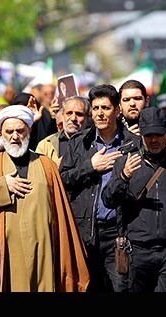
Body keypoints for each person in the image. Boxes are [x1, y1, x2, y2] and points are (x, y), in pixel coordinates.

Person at [0, 105, 89, 292]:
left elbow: (62, 212)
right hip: (5, 251)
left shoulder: (47, 165)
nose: (15, 136)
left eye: (20, 131)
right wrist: (0, 186)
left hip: (44, 250)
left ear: (29, 130)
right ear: (1, 133)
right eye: (9, 131)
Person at [102, 107, 166, 292]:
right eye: (148, 135)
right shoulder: (126, 163)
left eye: (158, 135)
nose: (153, 140)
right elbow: (108, 200)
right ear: (141, 135)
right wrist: (124, 177)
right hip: (137, 252)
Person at [60, 84, 140, 292]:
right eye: (95, 108)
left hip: (119, 232)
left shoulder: (133, 144)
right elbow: (62, 179)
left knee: (120, 288)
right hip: (85, 232)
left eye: (105, 108)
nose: (99, 113)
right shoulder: (79, 143)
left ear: (117, 110)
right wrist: (90, 167)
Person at [37, 96, 90, 165]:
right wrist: (54, 167)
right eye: (69, 113)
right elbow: (38, 170)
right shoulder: (46, 145)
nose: (73, 118)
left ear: (87, 118)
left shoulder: (95, 143)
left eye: (79, 114)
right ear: (63, 115)